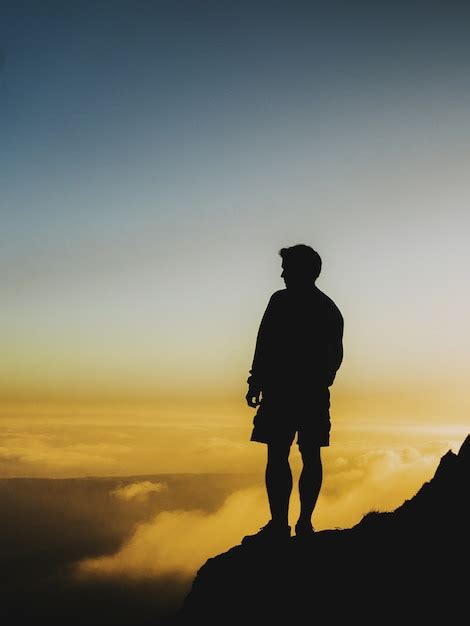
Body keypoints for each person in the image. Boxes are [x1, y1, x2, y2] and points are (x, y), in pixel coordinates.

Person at [243, 244, 344, 542]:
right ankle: (300, 525)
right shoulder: (327, 307)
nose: (283, 273)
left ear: (302, 270)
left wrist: (257, 380)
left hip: (286, 393)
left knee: (282, 455)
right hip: (305, 393)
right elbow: (334, 356)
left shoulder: (284, 302)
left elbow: (265, 344)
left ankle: (285, 525)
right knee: (305, 455)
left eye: (287, 268)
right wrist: (257, 379)